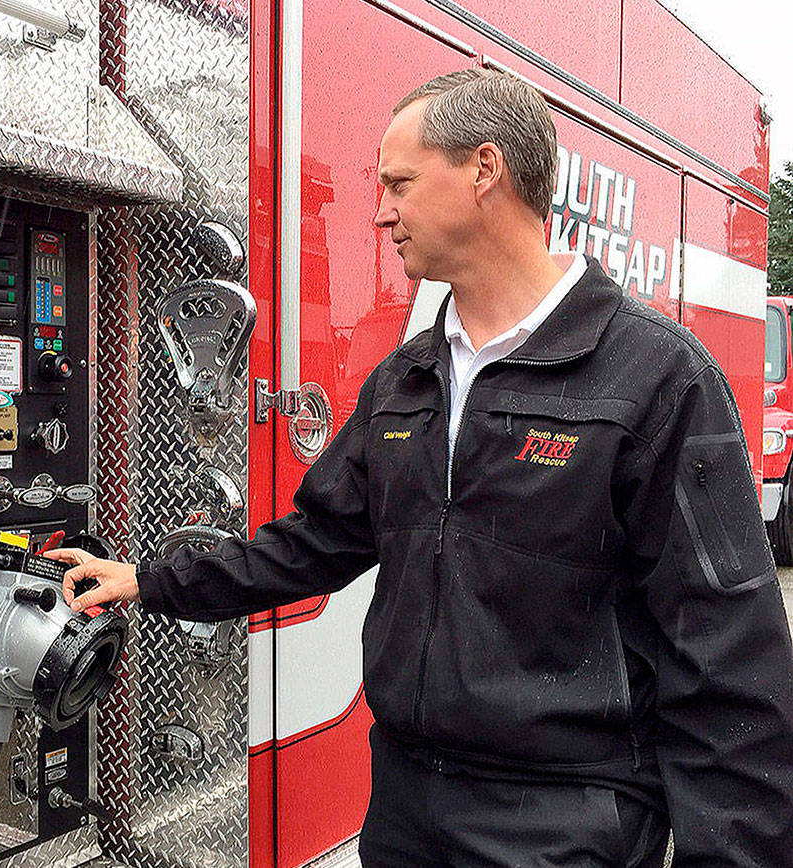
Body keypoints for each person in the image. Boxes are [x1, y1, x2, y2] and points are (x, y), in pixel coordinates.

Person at [48, 68, 793, 866]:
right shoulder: (406, 381)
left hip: (563, 826)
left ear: (484, 169)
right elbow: (315, 542)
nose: (380, 211)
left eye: (399, 182)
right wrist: (152, 580)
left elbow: (728, 670)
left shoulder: (656, 379)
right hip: (406, 812)